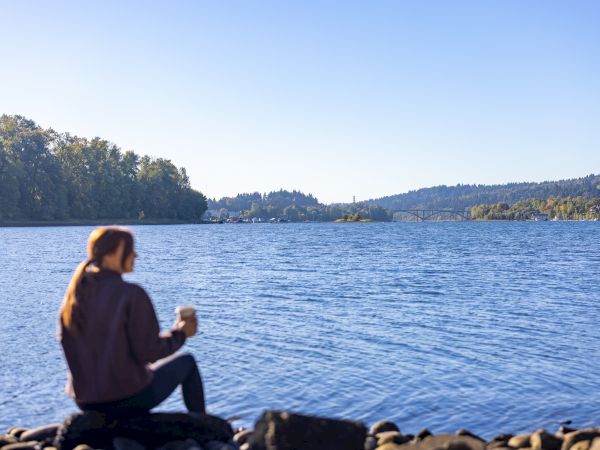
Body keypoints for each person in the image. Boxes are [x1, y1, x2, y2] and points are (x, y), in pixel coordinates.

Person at [58, 226, 206, 415]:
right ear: (111, 255)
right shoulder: (132, 294)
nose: (135, 255)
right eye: (129, 250)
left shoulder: (73, 297)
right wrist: (181, 333)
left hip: (84, 401)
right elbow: (149, 352)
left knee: (143, 369)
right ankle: (206, 427)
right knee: (187, 362)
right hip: (128, 399)